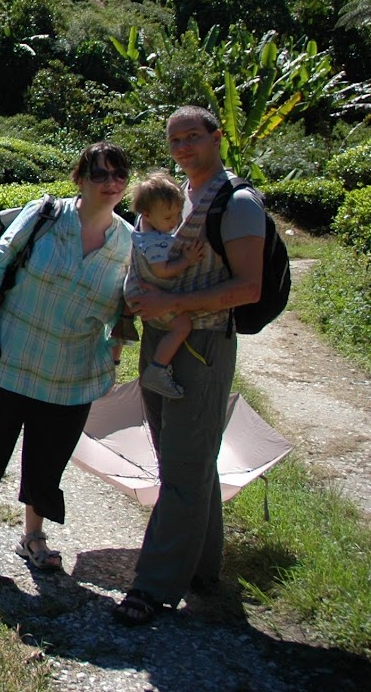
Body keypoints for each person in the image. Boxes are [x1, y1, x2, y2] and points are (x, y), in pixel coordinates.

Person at [0, 142, 138, 572]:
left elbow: (123, 307)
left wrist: (116, 357)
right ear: (79, 179)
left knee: (48, 459)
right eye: (99, 174)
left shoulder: (127, 240)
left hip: (74, 369)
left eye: (119, 175)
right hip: (12, 354)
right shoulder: (47, 215)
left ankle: (33, 536)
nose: (111, 183)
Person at [115, 106, 266, 626]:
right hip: (160, 338)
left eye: (193, 136)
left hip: (200, 345)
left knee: (182, 465)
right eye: (175, 138)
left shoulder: (237, 203)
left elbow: (249, 287)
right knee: (183, 458)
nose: (183, 146)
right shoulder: (173, 198)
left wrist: (172, 307)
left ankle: (153, 586)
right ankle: (203, 566)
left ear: (217, 137)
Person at [127, 170, 212, 399]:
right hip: (144, 293)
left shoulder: (146, 226)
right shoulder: (154, 242)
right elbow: (161, 270)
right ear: (147, 214)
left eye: (177, 215)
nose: (174, 222)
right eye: (168, 218)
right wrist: (188, 260)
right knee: (182, 324)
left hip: (138, 289)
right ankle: (157, 368)